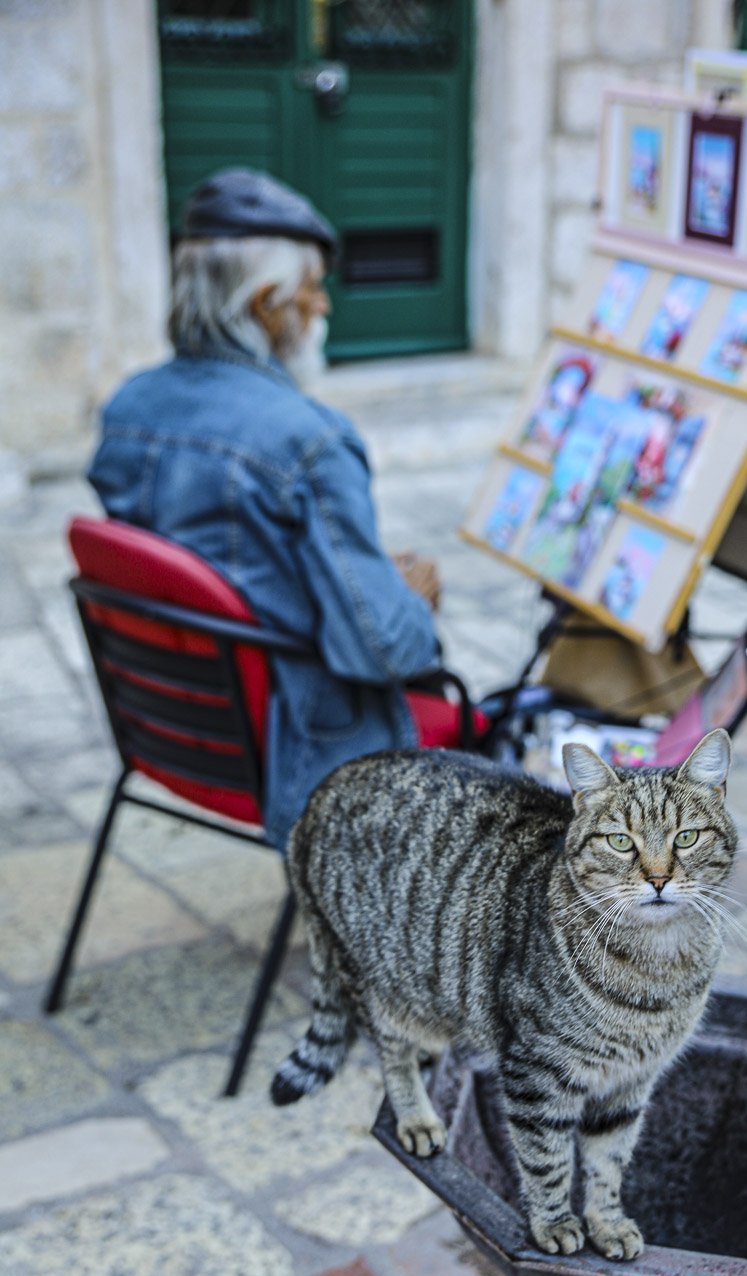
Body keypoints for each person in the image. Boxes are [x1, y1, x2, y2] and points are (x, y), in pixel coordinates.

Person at [88, 167, 450, 848]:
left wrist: (361, 582)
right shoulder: (308, 440)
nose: (324, 308)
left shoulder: (126, 410)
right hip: (299, 748)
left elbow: (211, 574)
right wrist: (409, 598)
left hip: (175, 732)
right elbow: (383, 650)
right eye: (313, 290)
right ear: (266, 306)